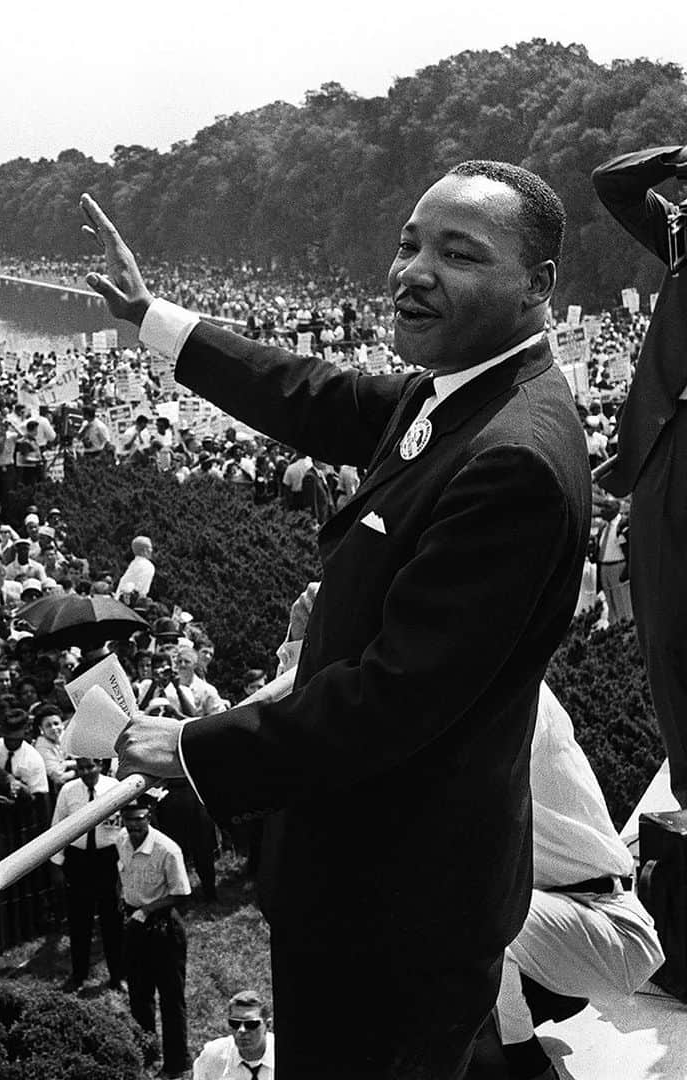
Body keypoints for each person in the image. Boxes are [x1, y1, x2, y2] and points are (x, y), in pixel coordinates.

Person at [84, 157, 591, 1079]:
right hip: (373, 881)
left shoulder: (512, 455)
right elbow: (305, 391)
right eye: (408, 244)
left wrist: (198, 747)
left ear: (539, 286)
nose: (415, 271)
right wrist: (152, 319)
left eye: (459, 252)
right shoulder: (458, 391)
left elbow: (392, 700)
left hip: (398, 905)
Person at [475, 682, 664, 1080]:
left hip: (609, 923)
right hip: (573, 909)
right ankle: (520, 1014)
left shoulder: (517, 699)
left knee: (477, 909)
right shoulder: (504, 682)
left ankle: (525, 1060)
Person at [592, 144, 687, 806]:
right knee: (665, 625)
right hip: (669, 447)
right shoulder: (680, 232)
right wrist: (679, 156)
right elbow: (612, 186)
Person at [116, 799, 191, 1079]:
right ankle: (146, 1055)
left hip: (164, 928)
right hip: (135, 926)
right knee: (139, 995)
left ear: (149, 817)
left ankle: (176, 1064)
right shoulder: (121, 841)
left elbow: (181, 893)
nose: (134, 827)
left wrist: (148, 909)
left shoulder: (167, 850)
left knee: (171, 999)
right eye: (129, 820)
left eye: (140, 820)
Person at [50, 758, 123, 992]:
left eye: (90, 767)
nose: (86, 772)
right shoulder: (68, 791)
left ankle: (117, 975)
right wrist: (58, 864)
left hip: (107, 859)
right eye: (81, 768)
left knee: (112, 921)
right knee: (79, 920)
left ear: (100, 766)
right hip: (78, 860)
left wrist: (125, 866)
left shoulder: (115, 788)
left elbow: (122, 829)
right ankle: (79, 973)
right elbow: (58, 827)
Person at [192, 990, 275, 1080]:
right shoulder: (213, 1057)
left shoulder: (286, 1056)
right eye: (235, 1023)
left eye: (251, 1024)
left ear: (267, 1025)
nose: (241, 1030)